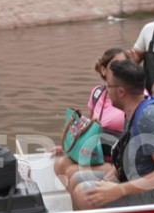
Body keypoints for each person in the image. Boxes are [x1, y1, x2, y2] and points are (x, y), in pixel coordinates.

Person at [71, 59, 154, 210]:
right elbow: (125, 156)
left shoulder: (149, 117)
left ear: (121, 92)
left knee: (84, 193)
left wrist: (118, 190)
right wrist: (108, 180)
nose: (106, 91)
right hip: (136, 181)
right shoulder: (132, 113)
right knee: (77, 178)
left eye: (108, 85)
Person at [54, 47, 128, 190]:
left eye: (124, 65)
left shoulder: (132, 95)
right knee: (60, 164)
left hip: (116, 161)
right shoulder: (97, 93)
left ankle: (83, 201)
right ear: (104, 70)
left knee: (72, 172)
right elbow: (88, 132)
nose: (120, 70)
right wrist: (68, 147)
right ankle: (79, 201)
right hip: (95, 154)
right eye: (115, 66)